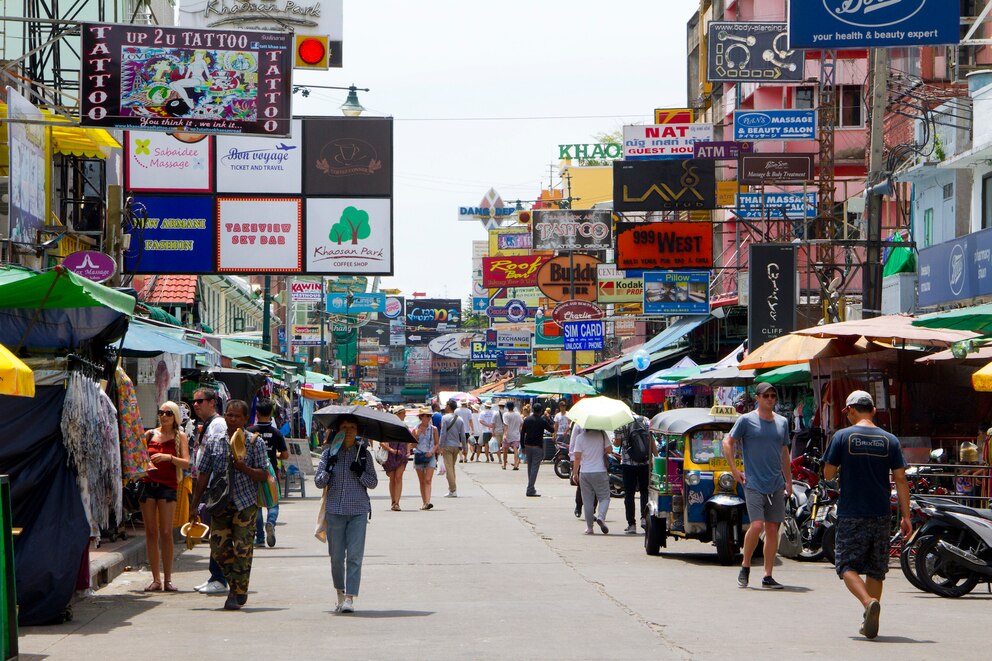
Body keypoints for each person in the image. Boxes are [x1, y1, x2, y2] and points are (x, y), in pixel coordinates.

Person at [823, 390, 910, 640]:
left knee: (846, 565)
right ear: (873, 410)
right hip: (882, 514)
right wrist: (906, 516)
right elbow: (901, 479)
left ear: (850, 410)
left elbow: (828, 474)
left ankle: (867, 603)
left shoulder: (842, 437)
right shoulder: (889, 440)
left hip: (852, 512)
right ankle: (870, 618)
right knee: (876, 569)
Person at [189, 399, 270, 611]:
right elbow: (204, 473)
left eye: (236, 416)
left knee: (242, 549)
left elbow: (264, 474)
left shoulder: (255, 442)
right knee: (218, 547)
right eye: (229, 415)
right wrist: (195, 504)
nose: (232, 419)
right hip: (220, 502)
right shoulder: (215, 440)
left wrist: (245, 468)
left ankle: (235, 593)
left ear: (245, 419)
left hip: (245, 503)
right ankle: (238, 585)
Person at [723, 382, 792, 590]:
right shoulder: (746, 420)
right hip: (753, 482)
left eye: (773, 396)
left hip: (776, 483)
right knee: (757, 525)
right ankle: (745, 565)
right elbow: (728, 443)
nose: (770, 399)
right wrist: (735, 472)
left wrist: (788, 480)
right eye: (766, 396)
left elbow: (785, 453)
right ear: (758, 398)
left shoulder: (782, 422)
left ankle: (768, 575)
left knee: (773, 529)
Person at [314, 416, 378, 614]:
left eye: (352, 427)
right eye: (344, 427)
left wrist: (360, 472)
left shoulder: (364, 455)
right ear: (338, 430)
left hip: (358, 510)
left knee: (355, 557)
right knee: (336, 557)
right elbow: (318, 482)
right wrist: (329, 468)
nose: (348, 430)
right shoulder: (328, 454)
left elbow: (373, 483)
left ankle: (350, 597)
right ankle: (340, 593)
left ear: (357, 430)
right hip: (335, 511)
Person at [139, 400, 189, 592]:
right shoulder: (150, 434)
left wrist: (168, 458)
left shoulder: (180, 436)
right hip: (147, 485)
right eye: (161, 412)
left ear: (175, 416)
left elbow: (186, 463)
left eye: (168, 413)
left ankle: (168, 578)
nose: (164, 416)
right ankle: (155, 579)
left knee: (166, 532)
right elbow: (139, 458)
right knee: (151, 532)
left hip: (168, 486)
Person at [190, 388, 231, 596]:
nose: (196, 405)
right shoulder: (209, 425)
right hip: (210, 487)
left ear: (213, 402)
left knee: (217, 535)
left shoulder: (217, 425)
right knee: (215, 534)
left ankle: (220, 578)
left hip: (216, 489)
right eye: (194, 402)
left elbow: (215, 461)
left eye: (201, 401)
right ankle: (216, 576)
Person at [248, 398, 288, 548]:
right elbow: (285, 455)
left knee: (257, 504)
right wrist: (275, 455)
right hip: (271, 472)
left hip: (254, 473)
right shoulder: (276, 433)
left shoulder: (250, 432)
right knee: (273, 502)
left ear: (256, 413)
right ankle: (270, 522)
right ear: (271, 413)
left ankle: (259, 538)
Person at [615, 413, 655, 534]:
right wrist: (655, 458)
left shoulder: (621, 422)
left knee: (629, 494)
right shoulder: (645, 420)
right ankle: (644, 518)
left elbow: (617, 443)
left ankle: (631, 524)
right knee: (644, 491)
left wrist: (615, 440)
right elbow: (651, 440)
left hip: (628, 463)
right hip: (644, 462)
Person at [571, 422, 612, 534]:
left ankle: (590, 528)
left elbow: (577, 457)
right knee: (604, 497)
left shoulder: (580, 438)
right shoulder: (602, 434)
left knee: (587, 500)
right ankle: (601, 517)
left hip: (585, 472)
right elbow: (610, 449)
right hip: (600, 471)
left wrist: (575, 473)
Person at [521, 403, 555, 497]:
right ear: (540, 411)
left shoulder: (527, 419)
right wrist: (549, 420)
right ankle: (530, 489)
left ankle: (531, 487)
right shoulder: (542, 421)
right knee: (534, 469)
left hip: (528, 446)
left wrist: (522, 446)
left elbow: (522, 433)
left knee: (530, 468)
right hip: (537, 447)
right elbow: (552, 430)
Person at [411, 408, 439, 510]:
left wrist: (432, 451)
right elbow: (412, 445)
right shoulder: (415, 429)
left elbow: (437, 443)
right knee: (422, 481)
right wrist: (417, 435)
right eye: (425, 416)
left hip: (430, 456)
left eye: (429, 416)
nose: (427, 418)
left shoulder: (434, 429)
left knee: (428, 480)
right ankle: (424, 502)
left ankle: (427, 501)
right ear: (421, 417)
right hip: (419, 455)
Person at [382, 425, 413, 511]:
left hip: (402, 455)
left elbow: (409, 441)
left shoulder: (404, 428)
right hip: (391, 455)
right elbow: (382, 442)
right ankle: (393, 501)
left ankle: (397, 503)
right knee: (392, 478)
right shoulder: (388, 429)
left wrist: (408, 451)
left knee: (398, 477)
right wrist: (391, 450)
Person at [439, 400, 466, 497]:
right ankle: (451, 490)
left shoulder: (444, 418)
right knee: (452, 468)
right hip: (456, 446)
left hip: (447, 446)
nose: (445, 407)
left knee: (449, 468)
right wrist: (464, 447)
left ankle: (453, 489)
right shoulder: (460, 419)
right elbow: (462, 435)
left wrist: (440, 446)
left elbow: (443, 433)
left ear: (449, 406)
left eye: (446, 405)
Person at [501, 401, 524, 470]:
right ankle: (516, 464)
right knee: (515, 449)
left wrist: (504, 434)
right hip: (516, 434)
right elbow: (521, 423)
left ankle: (504, 464)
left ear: (507, 407)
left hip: (508, 434)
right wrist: (519, 430)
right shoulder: (517, 414)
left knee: (505, 449)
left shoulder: (505, 414)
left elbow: (505, 425)